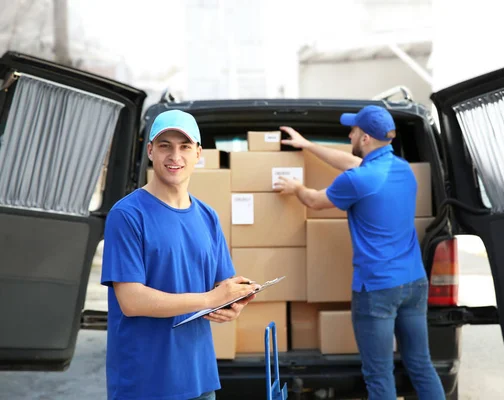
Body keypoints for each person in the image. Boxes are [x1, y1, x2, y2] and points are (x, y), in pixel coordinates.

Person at [274, 105, 445, 400]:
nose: (349, 134)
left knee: (379, 375)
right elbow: (352, 163)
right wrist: (307, 145)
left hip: (377, 288)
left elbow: (314, 201)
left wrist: (296, 187)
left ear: (365, 138)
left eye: (353, 130)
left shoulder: (358, 181)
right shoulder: (402, 169)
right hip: (414, 282)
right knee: (420, 364)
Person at [101, 109, 260, 400]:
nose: (175, 156)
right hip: (145, 383)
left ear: (199, 153)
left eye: (185, 146)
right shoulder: (127, 215)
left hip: (199, 379)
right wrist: (214, 298)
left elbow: (220, 285)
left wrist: (234, 301)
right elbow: (131, 301)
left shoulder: (208, 216)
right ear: (150, 151)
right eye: (165, 146)